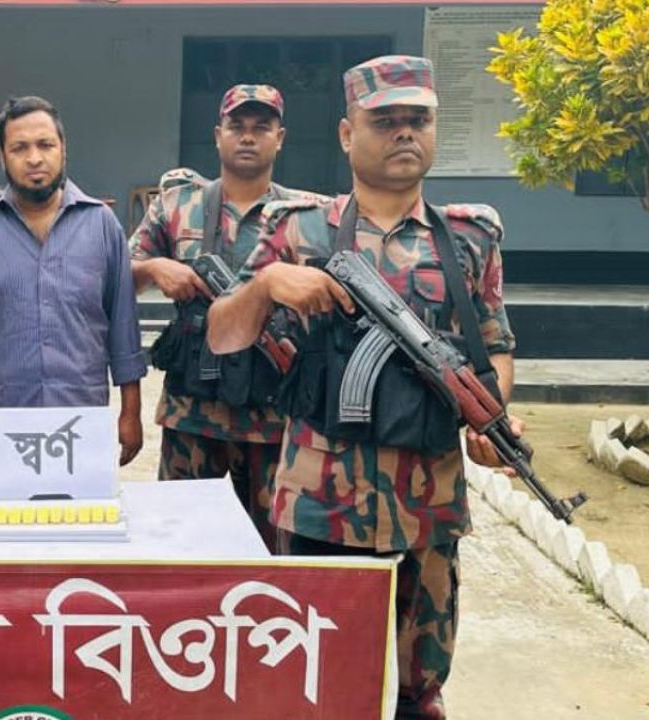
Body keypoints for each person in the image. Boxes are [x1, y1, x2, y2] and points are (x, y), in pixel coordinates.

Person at [207, 55, 519, 719]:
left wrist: (493, 420)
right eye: (385, 120)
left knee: (417, 689)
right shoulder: (296, 228)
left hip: (429, 498)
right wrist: (266, 285)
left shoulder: (469, 238)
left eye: (418, 120)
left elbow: (493, 344)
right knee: (311, 674)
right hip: (320, 496)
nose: (404, 132)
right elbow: (223, 336)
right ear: (348, 135)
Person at [129, 84, 325, 550]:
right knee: (180, 544)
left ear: (280, 138)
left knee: (272, 549)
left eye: (262, 127)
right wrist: (155, 268)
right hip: (193, 412)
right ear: (218, 136)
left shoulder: (309, 215)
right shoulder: (176, 205)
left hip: (274, 413)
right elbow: (118, 275)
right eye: (237, 126)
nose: (248, 136)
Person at [0, 96, 147, 472]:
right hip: (7, 424)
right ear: (2, 157)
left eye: (45, 145)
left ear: (63, 149)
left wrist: (130, 413)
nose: (34, 158)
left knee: (85, 511)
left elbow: (123, 328)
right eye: (19, 148)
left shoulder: (102, 225)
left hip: (83, 423)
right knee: (7, 511)